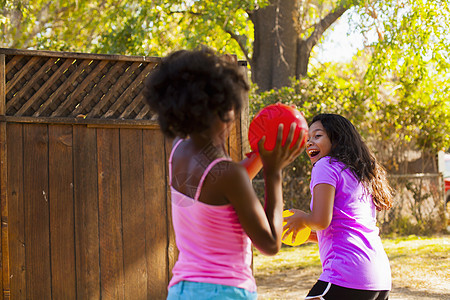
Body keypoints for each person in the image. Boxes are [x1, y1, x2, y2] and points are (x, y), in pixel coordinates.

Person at [144, 48, 305, 300]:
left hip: (182, 290)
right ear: (225, 109)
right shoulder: (228, 175)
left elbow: (222, 186)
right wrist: (274, 173)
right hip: (224, 292)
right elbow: (271, 243)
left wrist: (263, 151)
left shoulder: (178, 151)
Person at [283, 113, 394, 300]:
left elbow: (319, 220)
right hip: (379, 277)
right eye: (308, 139)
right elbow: (346, 230)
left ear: (337, 139)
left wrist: (302, 217)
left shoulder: (325, 165)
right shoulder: (358, 172)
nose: (310, 142)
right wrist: (308, 235)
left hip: (346, 276)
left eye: (317, 136)